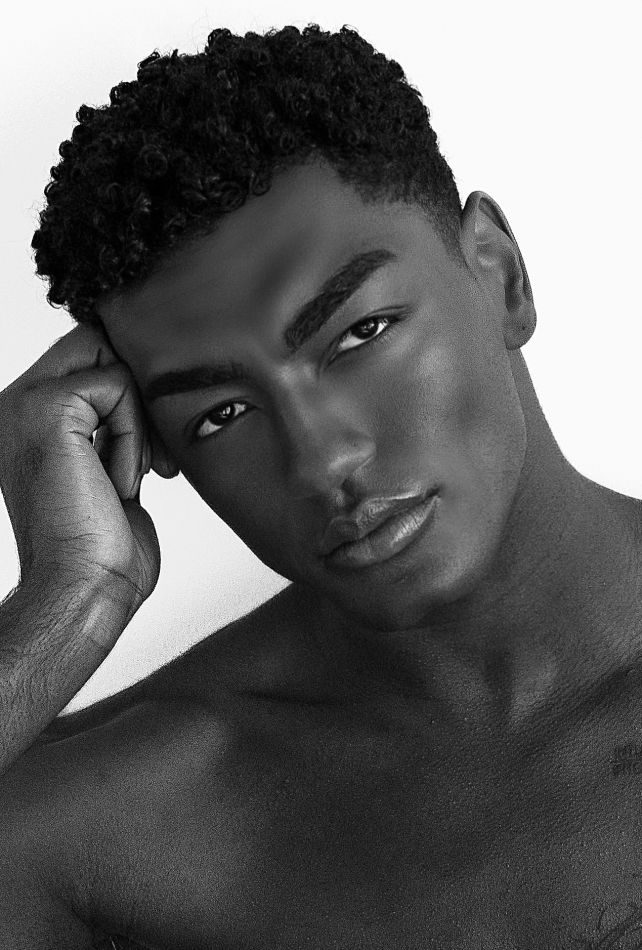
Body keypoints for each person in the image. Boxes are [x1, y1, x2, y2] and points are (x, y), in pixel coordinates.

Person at [1, 21, 641, 950]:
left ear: (500, 274)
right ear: (158, 450)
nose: (322, 459)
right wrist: (70, 596)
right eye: (221, 413)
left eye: (359, 334)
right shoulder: (123, 819)